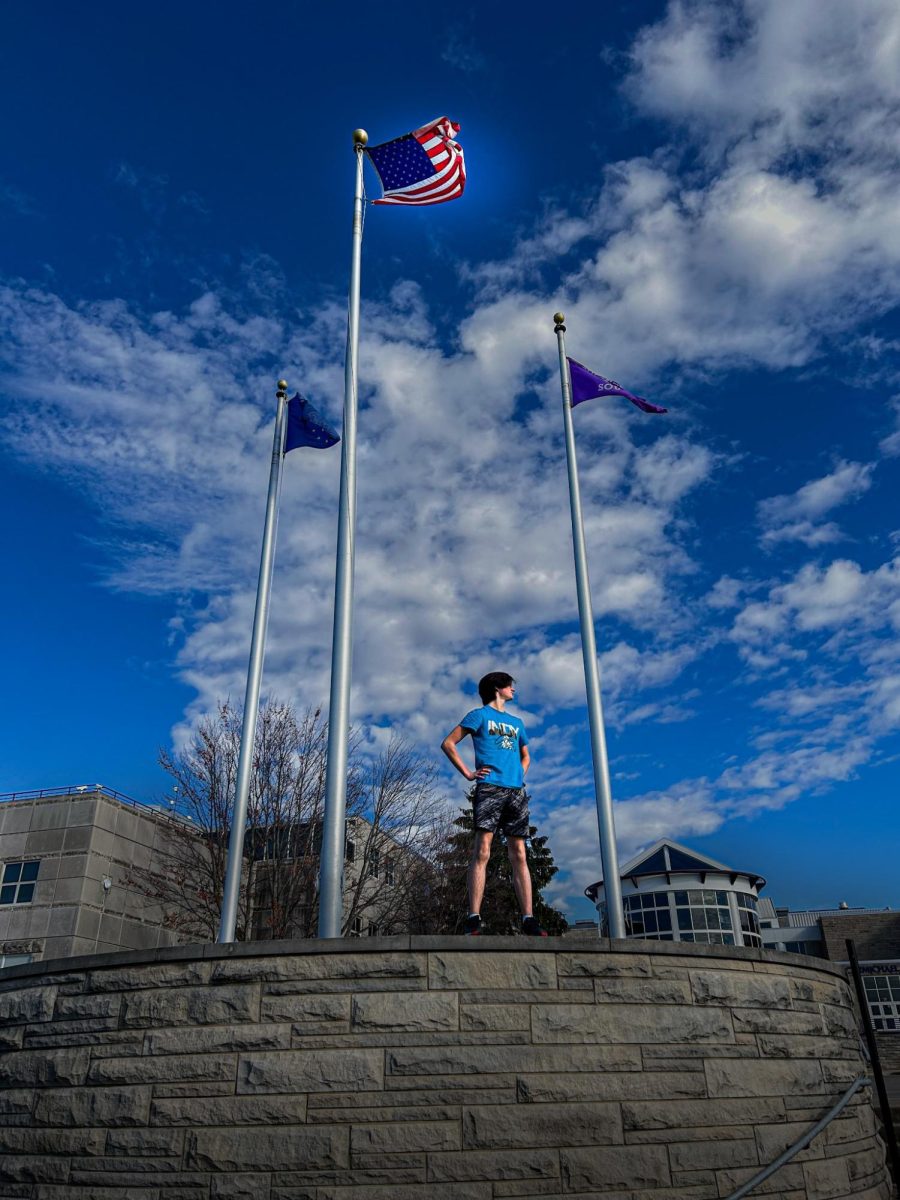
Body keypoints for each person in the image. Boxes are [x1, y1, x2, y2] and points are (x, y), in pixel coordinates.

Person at [441, 671, 547, 936]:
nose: (514, 689)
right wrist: (468, 773)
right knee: (483, 850)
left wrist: (518, 774)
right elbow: (448, 743)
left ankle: (528, 919)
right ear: (498, 688)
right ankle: (474, 917)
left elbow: (526, 756)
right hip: (489, 788)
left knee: (519, 854)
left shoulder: (517, 722)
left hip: (515, 792)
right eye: (510, 686)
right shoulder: (478, 715)